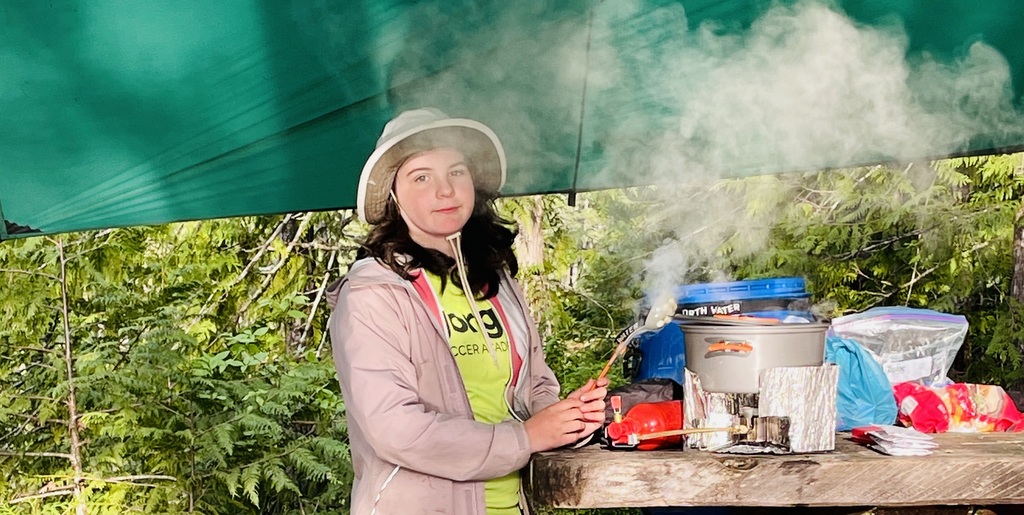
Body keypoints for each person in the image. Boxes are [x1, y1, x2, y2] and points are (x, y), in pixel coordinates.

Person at [328, 108, 609, 515]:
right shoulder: (374, 293)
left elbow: (533, 387)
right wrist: (526, 438)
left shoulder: (496, 281)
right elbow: (394, 427)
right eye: (421, 177)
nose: (446, 190)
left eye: (456, 172)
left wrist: (564, 417)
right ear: (393, 195)